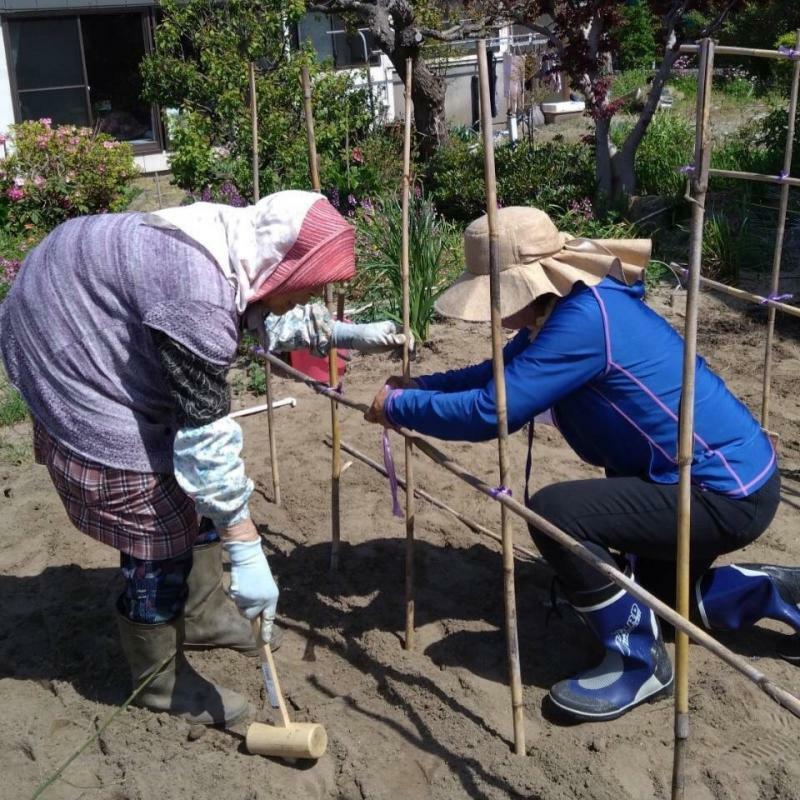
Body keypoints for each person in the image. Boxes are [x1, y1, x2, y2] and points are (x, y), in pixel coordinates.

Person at [365, 206, 797, 722]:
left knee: (555, 512)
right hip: (726, 477)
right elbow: (498, 372)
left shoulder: (582, 322)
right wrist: (419, 388)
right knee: (660, 598)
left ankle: (637, 663)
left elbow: (490, 411)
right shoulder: (575, 305)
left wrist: (397, 408)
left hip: (720, 492)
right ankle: (773, 589)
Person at [0, 190, 408, 726]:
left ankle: (202, 612)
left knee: (190, 488)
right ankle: (158, 678)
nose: (306, 299)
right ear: (284, 264)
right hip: (64, 333)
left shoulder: (234, 244)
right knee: (151, 508)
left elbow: (250, 306)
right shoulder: (195, 289)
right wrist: (245, 545)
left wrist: (337, 332)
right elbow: (206, 434)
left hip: (92, 294)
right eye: (308, 288)